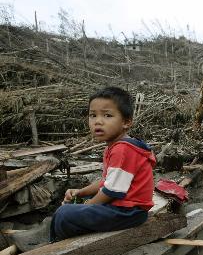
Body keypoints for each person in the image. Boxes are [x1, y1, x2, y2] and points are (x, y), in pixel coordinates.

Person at [50, 86, 156, 241]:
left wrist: (88, 205)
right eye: (93, 115)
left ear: (126, 122)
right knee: (72, 206)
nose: (98, 121)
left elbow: (112, 191)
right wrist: (81, 192)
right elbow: (107, 182)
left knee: (63, 214)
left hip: (129, 213)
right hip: (125, 208)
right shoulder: (115, 146)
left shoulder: (123, 150)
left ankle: (58, 244)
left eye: (107, 115)